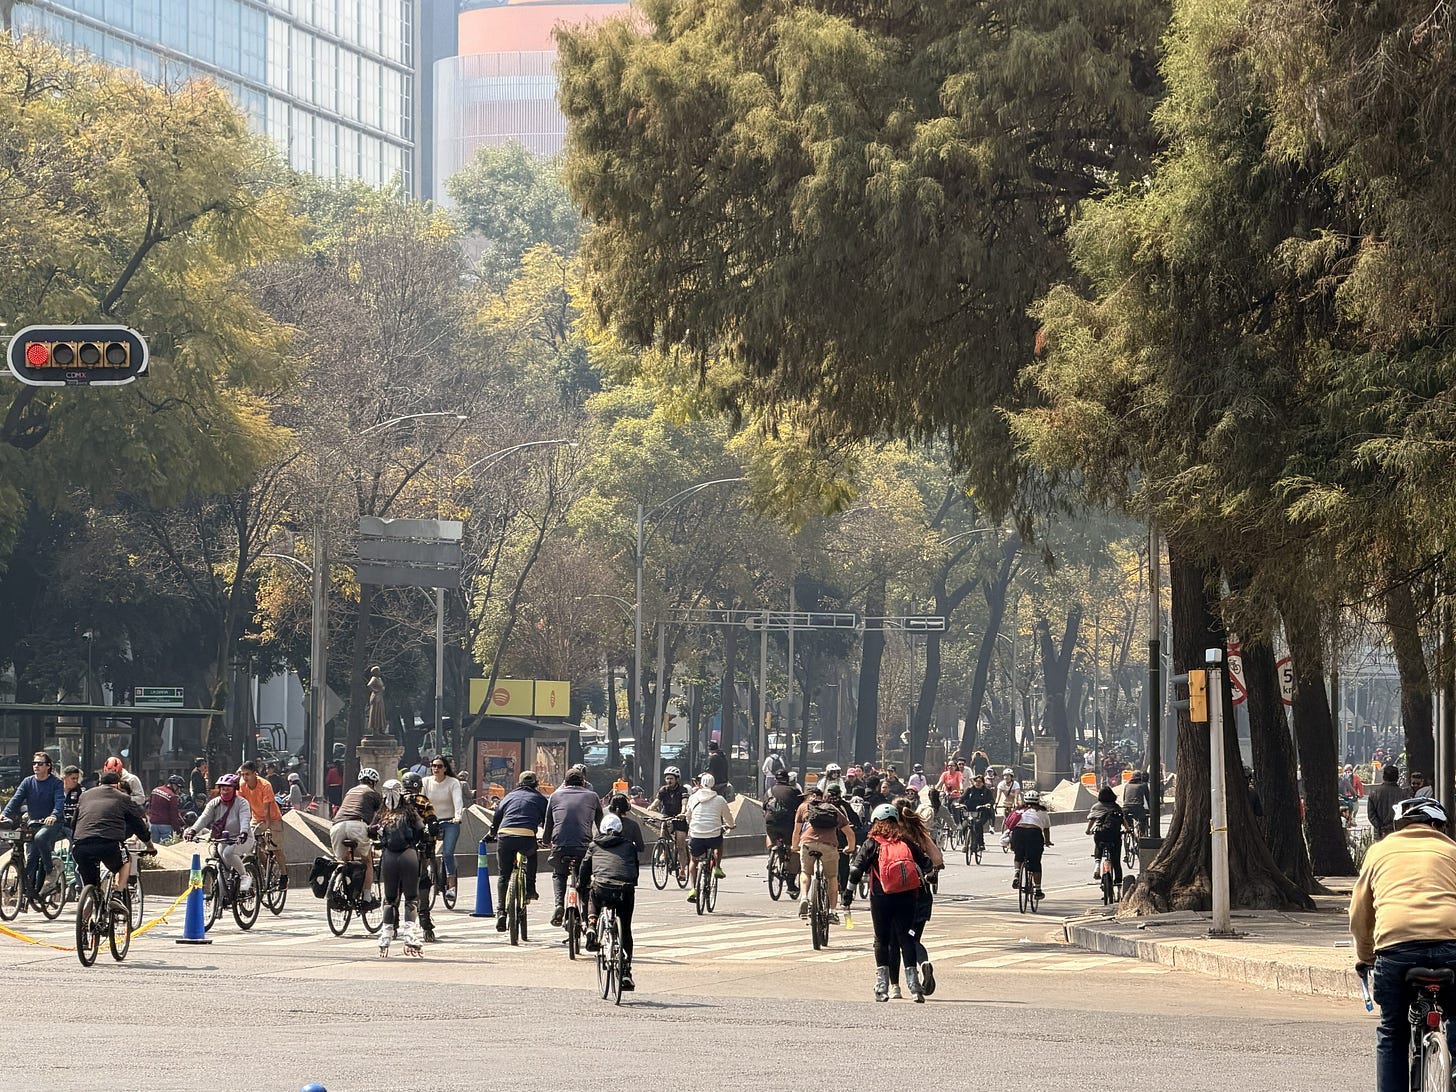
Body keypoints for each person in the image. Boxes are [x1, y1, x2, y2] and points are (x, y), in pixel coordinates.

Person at [1351, 797, 1456, 1092]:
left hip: (1396, 949)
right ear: (1437, 825)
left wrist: (1365, 956)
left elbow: (1360, 912)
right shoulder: (1452, 850)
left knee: (1392, 1030)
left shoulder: (1378, 852)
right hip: (1451, 946)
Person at [844, 803, 935, 1002]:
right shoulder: (906, 842)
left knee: (882, 940)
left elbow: (856, 870)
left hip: (881, 897)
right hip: (908, 897)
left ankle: (883, 987)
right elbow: (927, 864)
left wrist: (848, 893)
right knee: (907, 938)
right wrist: (930, 875)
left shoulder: (872, 843)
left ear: (875, 821)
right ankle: (915, 988)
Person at [71, 771, 155, 897]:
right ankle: (117, 893)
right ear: (117, 785)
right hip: (109, 844)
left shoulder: (84, 796)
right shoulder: (123, 798)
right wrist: (149, 846)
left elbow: (73, 822)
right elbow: (139, 825)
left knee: (91, 885)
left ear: (99, 783)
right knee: (125, 861)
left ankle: (89, 901)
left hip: (81, 846)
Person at [580, 811, 640, 989]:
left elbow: (585, 868)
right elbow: (634, 869)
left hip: (602, 887)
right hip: (625, 889)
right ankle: (626, 972)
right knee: (626, 929)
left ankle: (592, 925)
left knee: (592, 894)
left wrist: (581, 885)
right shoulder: (629, 846)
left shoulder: (594, 845)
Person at [541, 767, 603, 927]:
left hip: (560, 845)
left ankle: (559, 904)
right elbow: (601, 825)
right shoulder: (592, 796)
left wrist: (546, 841)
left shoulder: (555, 796)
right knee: (585, 880)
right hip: (584, 846)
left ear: (565, 782)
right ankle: (586, 915)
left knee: (559, 874)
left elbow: (548, 825)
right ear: (583, 782)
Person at [894, 798, 944, 998]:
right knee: (913, 937)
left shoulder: (892, 834)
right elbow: (937, 858)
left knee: (903, 938)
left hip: (898, 892)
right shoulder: (918, 832)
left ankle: (909, 977)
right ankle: (923, 963)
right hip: (921, 892)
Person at [2, 751, 65, 905]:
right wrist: (4, 814)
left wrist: (54, 815)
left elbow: (59, 802)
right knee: (31, 857)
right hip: (34, 823)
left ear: (48, 766)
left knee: (40, 838)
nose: (36, 766)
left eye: (40, 763)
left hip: (52, 823)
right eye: (34, 763)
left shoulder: (56, 783)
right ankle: (28, 893)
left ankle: (50, 870)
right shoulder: (28, 782)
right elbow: (16, 800)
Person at [489, 771, 548, 931]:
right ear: (536, 784)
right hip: (526, 836)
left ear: (519, 783)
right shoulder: (540, 799)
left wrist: (492, 834)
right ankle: (530, 889)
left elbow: (497, 818)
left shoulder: (508, 797)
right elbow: (547, 822)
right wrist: (547, 839)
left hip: (505, 835)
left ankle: (501, 911)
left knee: (503, 875)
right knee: (532, 856)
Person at [375, 779, 426, 956]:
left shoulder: (382, 813)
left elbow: (371, 831)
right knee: (411, 897)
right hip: (408, 854)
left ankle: (386, 934)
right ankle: (410, 932)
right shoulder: (409, 811)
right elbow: (422, 830)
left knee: (390, 899)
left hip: (388, 856)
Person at [792, 785, 856, 921]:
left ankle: (804, 897)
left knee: (805, 872)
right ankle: (832, 912)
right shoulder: (833, 809)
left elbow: (796, 832)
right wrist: (850, 848)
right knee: (832, 877)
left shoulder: (803, 807)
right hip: (829, 846)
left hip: (808, 844)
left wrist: (795, 847)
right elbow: (850, 833)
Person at [184, 773, 253, 894]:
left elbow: (245, 819)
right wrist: (193, 831)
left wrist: (243, 833)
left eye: (228, 789)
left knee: (228, 853)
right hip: (223, 839)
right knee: (223, 866)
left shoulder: (242, 803)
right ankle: (222, 899)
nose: (225, 791)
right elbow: (204, 818)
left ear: (235, 789)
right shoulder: (214, 803)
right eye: (222, 788)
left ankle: (244, 876)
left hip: (242, 838)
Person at [330, 768, 383, 899]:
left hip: (337, 826)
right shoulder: (373, 794)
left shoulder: (350, 792)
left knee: (342, 860)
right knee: (367, 861)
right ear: (374, 782)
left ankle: (335, 888)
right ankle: (367, 897)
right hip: (357, 825)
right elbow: (380, 815)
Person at [401, 771, 439, 942]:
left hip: (396, 848)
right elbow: (432, 823)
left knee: (394, 884)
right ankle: (424, 919)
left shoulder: (394, 801)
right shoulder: (423, 801)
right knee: (423, 880)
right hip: (417, 848)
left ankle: (392, 921)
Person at [685, 772, 734, 903]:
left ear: (700, 784)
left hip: (696, 835)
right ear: (714, 784)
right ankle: (717, 867)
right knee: (719, 844)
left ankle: (693, 889)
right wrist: (731, 825)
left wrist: (691, 825)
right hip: (713, 836)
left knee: (693, 860)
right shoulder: (720, 799)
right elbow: (728, 817)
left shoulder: (693, 798)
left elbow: (688, 815)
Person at [239, 760, 286, 876]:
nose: (245, 777)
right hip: (256, 818)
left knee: (275, 848)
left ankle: (284, 875)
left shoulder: (265, 785)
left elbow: (267, 810)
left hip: (273, 818)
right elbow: (240, 806)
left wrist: (267, 826)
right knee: (253, 846)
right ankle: (267, 872)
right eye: (243, 774)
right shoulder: (242, 786)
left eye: (247, 774)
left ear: (255, 773)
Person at [425, 755, 465, 892]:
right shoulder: (426, 782)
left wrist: (458, 816)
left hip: (450, 821)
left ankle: (451, 885)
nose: (436, 769)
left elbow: (458, 800)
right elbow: (421, 800)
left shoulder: (453, 782)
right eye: (434, 766)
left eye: (439, 766)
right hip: (431, 821)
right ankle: (424, 876)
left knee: (447, 853)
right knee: (423, 850)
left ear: (445, 768)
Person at [761, 767, 804, 892]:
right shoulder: (794, 791)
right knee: (794, 850)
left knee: (769, 834)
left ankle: (771, 854)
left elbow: (764, 808)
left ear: (775, 779)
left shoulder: (769, 791)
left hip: (771, 823)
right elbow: (801, 807)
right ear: (787, 779)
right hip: (788, 825)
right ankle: (790, 883)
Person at [649, 766, 692, 883]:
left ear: (677, 779)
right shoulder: (663, 790)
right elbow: (657, 801)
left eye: (671, 778)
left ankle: (682, 870)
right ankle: (663, 851)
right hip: (667, 816)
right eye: (667, 778)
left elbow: (684, 803)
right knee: (663, 831)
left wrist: (682, 813)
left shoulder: (682, 790)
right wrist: (650, 808)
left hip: (679, 818)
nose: (669, 781)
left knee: (680, 845)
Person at [1010, 789, 1052, 898]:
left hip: (1018, 833)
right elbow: (1046, 829)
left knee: (1018, 855)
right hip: (1034, 834)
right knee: (1035, 863)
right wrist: (1047, 841)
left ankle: (1017, 873)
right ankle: (1038, 891)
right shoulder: (1042, 812)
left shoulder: (1019, 810)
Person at [1086, 785, 1125, 889]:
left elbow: (1092, 820)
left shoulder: (1096, 806)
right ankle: (1118, 883)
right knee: (1116, 861)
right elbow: (1123, 820)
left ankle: (1097, 864)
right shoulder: (1116, 807)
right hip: (1114, 836)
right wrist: (1128, 829)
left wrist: (1088, 830)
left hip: (1100, 833)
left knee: (1098, 845)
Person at [1367, 765, 1404, 841]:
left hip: (1380, 834)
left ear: (1383, 777)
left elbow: (1371, 815)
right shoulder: (1404, 794)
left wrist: (1381, 828)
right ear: (1397, 778)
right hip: (1398, 833)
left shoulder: (1374, 794)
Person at [147, 775, 187, 842]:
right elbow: (173, 815)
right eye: (179, 787)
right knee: (166, 847)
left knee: (155, 846)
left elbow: (150, 806)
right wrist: (178, 830)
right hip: (165, 826)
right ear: (174, 785)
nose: (179, 790)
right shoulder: (172, 796)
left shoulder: (155, 790)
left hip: (153, 824)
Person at [962, 773, 995, 852]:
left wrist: (988, 804)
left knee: (978, 824)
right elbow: (962, 798)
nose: (977, 783)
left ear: (983, 783)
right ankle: (966, 844)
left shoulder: (986, 791)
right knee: (964, 826)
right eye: (976, 781)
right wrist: (958, 804)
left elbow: (992, 800)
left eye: (979, 781)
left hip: (982, 813)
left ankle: (981, 844)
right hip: (970, 812)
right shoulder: (969, 790)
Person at [1122, 770, 1150, 838]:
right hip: (1138, 807)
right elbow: (1148, 798)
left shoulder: (1127, 785)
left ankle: (1129, 828)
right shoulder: (1143, 785)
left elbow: (1124, 799)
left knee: (1127, 820)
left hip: (1126, 808)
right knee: (1143, 819)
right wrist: (1151, 809)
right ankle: (1142, 833)